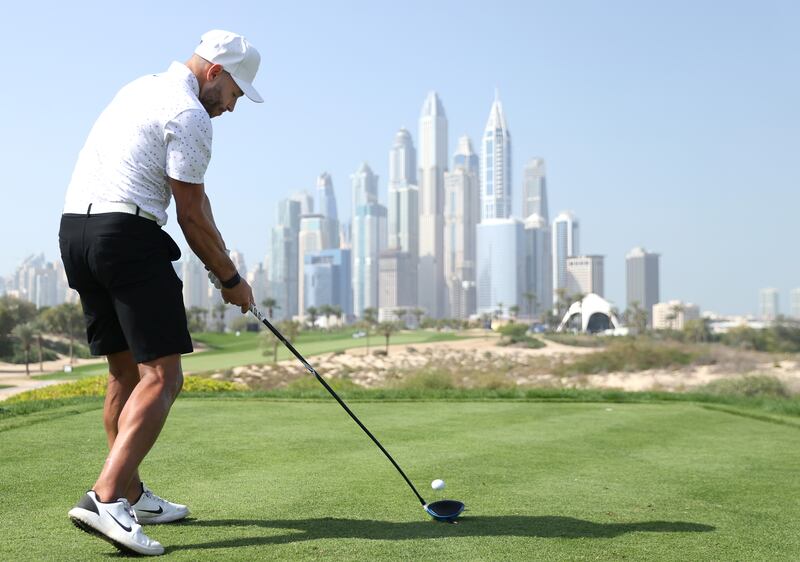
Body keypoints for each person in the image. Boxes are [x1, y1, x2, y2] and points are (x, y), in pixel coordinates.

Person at [59, 30, 262, 556]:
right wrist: (232, 281)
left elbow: (198, 201)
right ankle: (106, 498)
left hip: (78, 235)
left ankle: (132, 493)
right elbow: (189, 217)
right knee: (163, 376)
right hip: (129, 238)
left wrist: (225, 268)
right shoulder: (190, 113)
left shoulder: (140, 88)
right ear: (216, 72)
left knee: (125, 373)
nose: (232, 109)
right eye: (237, 95)